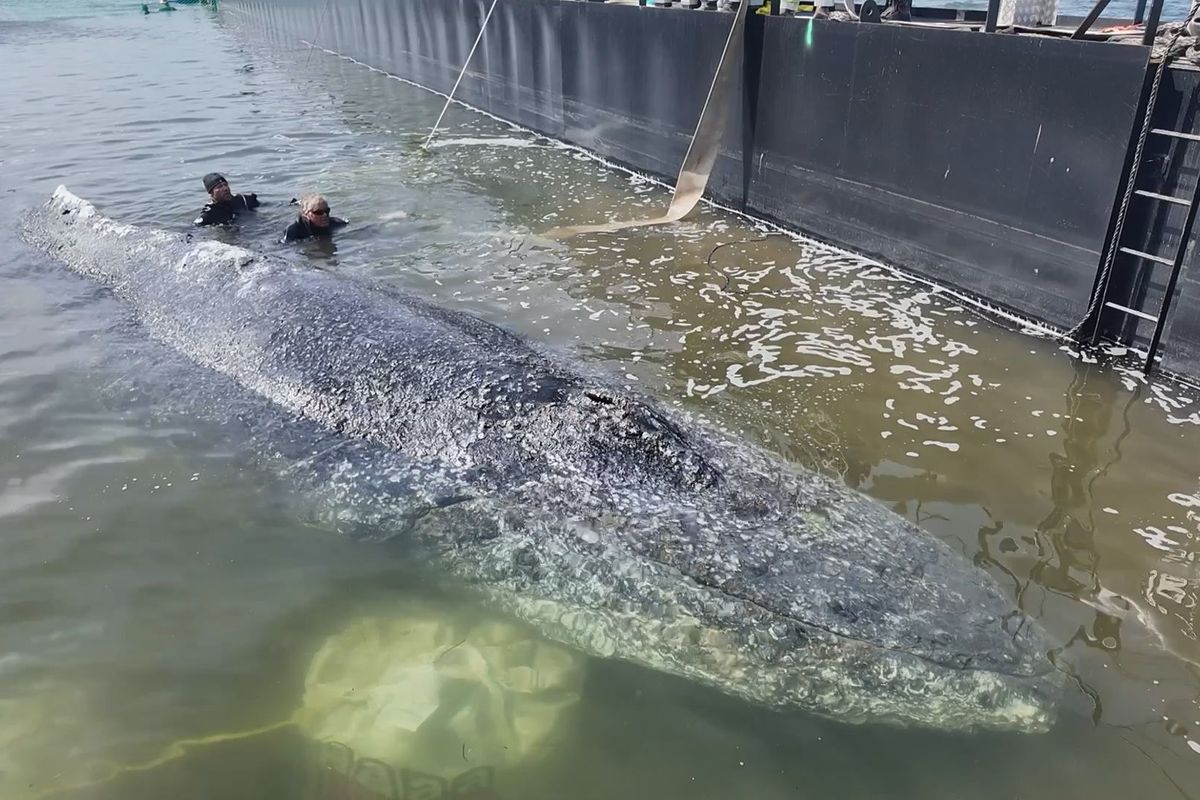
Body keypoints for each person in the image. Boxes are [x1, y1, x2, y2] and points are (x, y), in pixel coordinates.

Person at [194, 173, 260, 226]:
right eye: (219, 187)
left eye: (225, 185)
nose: (225, 189)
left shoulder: (244, 200)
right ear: (211, 192)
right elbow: (194, 229)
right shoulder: (209, 213)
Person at [282, 194, 348, 243]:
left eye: (327, 211)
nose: (325, 215)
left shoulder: (337, 223)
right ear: (306, 215)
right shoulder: (293, 231)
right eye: (319, 212)